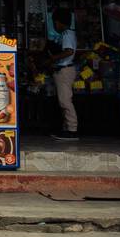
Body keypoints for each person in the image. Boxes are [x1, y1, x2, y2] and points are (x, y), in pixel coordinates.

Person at [49, 8, 78, 141]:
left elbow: (69, 51)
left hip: (65, 71)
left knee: (65, 101)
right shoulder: (68, 34)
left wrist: (53, 58)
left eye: (55, 23)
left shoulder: (66, 34)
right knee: (64, 100)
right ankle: (66, 128)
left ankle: (72, 130)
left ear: (58, 22)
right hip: (64, 70)